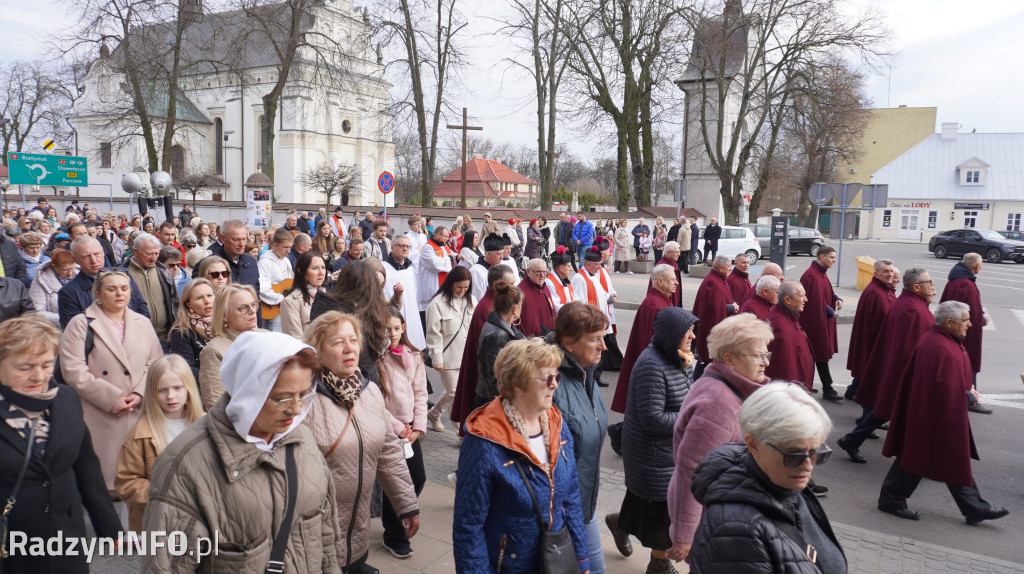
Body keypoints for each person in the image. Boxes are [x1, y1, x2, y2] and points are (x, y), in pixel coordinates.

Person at [142, 332, 343, 572]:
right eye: (282, 398)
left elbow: (326, 533)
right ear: (249, 393)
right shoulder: (183, 465)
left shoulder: (303, 438)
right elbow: (166, 565)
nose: (296, 409)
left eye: (303, 394)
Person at [453, 338, 591, 573]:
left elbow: (571, 499)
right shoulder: (483, 441)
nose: (555, 385)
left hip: (554, 560)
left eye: (556, 377)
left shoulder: (557, 423)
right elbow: (469, 527)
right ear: (518, 384)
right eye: (548, 378)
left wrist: (581, 559)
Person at [0, 316, 122, 572]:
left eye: (47, 364)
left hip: (66, 539)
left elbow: (86, 466)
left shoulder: (65, 398)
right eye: (24, 367)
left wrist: (109, 528)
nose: (38, 376)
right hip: (12, 544)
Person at [302, 311, 419, 573]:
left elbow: (388, 451)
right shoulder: (303, 398)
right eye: (336, 342)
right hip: (315, 534)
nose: (348, 348)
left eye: (353, 340)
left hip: (358, 530)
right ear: (317, 350)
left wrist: (406, 505)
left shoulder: (369, 391)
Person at [689, 383, 846, 574]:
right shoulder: (734, 531)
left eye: (815, 453)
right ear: (753, 445)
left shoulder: (787, 484)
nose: (807, 466)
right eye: (793, 455)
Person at [878, 301, 1009, 525]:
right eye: (966, 319)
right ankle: (891, 500)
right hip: (932, 415)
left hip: (934, 414)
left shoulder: (943, 341)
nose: (970, 323)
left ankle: (974, 507)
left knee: (944, 458)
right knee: (917, 456)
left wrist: (966, 389)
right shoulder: (939, 347)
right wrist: (968, 397)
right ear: (950, 322)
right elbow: (941, 389)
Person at [666, 313, 772, 562]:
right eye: (758, 356)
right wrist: (685, 534)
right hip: (710, 519)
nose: (766, 362)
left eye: (767, 355)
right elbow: (691, 469)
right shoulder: (717, 404)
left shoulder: (728, 386)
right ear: (729, 360)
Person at [610, 307, 697, 574]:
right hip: (653, 454)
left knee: (644, 504)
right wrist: (689, 418)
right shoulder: (652, 364)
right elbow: (653, 418)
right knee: (662, 513)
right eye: (688, 331)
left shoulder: (678, 357)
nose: (693, 336)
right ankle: (658, 562)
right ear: (673, 335)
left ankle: (620, 524)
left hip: (667, 452)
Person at [59, 270, 163, 494]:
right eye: (111, 288)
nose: (119, 293)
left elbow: (155, 363)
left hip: (137, 407)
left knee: (139, 479)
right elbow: (73, 369)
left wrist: (139, 394)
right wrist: (111, 398)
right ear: (97, 293)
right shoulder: (80, 324)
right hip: (99, 410)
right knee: (104, 479)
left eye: (124, 288)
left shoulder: (142, 323)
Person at [837, 268, 936, 465]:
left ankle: (852, 440)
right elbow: (915, 348)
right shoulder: (913, 310)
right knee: (893, 411)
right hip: (904, 373)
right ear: (916, 287)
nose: (933, 286)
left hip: (899, 371)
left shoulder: (910, 304)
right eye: (929, 282)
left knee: (885, 411)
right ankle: (911, 457)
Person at [547, 302, 609, 573]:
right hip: (559, 512)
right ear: (569, 343)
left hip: (584, 501)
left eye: (603, 338)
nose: (603, 346)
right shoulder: (551, 384)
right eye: (595, 339)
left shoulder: (587, 374)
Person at [115, 354, 204, 531]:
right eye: (162, 390)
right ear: (151, 392)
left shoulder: (206, 426)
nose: (170, 396)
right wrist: (165, 493)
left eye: (177, 388)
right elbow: (126, 482)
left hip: (199, 521)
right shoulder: (140, 433)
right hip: (158, 523)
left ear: (189, 389)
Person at [379, 309, 429, 559]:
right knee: (395, 482)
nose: (392, 334)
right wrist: (398, 427)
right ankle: (394, 534)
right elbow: (375, 400)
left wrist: (419, 426)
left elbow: (420, 392)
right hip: (390, 429)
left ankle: (396, 518)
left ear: (404, 328)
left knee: (417, 478)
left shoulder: (415, 355)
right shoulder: (378, 358)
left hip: (411, 429)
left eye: (396, 328)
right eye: (387, 329)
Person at [451, 264, 514, 433]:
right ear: (496, 286)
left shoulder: (494, 303)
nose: (513, 288)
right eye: (510, 284)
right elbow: (489, 357)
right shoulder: (488, 308)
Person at [310, 260, 392, 384]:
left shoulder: (331, 307)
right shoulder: (347, 316)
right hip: (355, 381)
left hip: (345, 379)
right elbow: (380, 344)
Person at [612, 264, 678, 414]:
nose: (676, 283)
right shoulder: (654, 305)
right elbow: (652, 342)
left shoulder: (660, 300)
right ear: (660, 281)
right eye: (673, 280)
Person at [939, 253, 992, 414]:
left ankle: (969, 397)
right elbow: (965, 309)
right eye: (981, 264)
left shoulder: (960, 280)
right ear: (976, 266)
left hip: (962, 329)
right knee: (968, 364)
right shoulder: (964, 283)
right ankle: (970, 399)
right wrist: (980, 320)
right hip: (964, 332)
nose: (981, 267)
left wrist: (980, 316)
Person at [424, 265, 475, 432]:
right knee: (454, 394)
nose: (462, 291)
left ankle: (434, 413)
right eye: (459, 286)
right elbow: (433, 334)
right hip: (448, 357)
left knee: (454, 392)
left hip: (467, 356)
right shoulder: (437, 304)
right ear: (451, 283)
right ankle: (461, 432)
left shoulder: (471, 300)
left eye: (466, 287)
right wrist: (436, 358)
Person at [58, 236, 149, 329]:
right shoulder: (68, 292)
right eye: (86, 256)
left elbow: (142, 309)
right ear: (75, 259)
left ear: (103, 253)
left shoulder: (124, 277)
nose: (93, 260)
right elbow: (74, 330)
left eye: (96, 254)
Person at [198, 284, 264, 408]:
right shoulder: (214, 351)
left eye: (253, 304)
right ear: (225, 315)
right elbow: (215, 404)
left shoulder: (267, 336)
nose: (251, 311)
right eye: (243, 308)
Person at [844, 259, 897, 399]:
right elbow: (877, 322)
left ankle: (852, 391)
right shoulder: (875, 293)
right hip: (873, 343)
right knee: (868, 371)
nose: (889, 274)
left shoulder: (884, 289)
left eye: (891, 271)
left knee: (865, 371)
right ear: (876, 274)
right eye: (885, 271)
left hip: (875, 343)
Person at [799, 246, 843, 401]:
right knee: (818, 355)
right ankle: (827, 388)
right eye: (831, 257)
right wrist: (830, 311)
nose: (834, 260)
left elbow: (826, 292)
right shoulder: (812, 275)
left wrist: (836, 297)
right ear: (822, 257)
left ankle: (810, 385)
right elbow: (814, 300)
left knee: (817, 355)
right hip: (813, 324)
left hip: (819, 321)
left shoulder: (820, 273)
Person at [120, 232, 179, 344]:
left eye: (156, 254)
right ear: (135, 251)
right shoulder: (121, 274)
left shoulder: (163, 272)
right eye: (149, 254)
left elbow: (175, 302)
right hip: (136, 340)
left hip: (165, 339)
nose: (154, 258)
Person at [477, 280, 525, 406]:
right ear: (515, 309)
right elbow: (496, 377)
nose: (522, 308)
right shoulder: (497, 334)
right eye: (521, 305)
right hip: (494, 402)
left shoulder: (499, 324)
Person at [690, 255, 738, 378]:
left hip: (711, 337)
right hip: (711, 336)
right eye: (728, 266)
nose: (731, 269)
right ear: (721, 268)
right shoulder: (712, 283)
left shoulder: (718, 279)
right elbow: (714, 309)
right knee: (704, 367)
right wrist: (731, 308)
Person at [764, 281, 815, 390]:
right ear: (787, 300)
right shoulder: (777, 325)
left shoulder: (790, 318)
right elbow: (781, 369)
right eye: (802, 296)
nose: (806, 299)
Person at [168, 278, 216, 382]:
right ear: (188, 304)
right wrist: (217, 377)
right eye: (199, 298)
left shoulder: (226, 322)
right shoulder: (180, 331)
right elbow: (187, 370)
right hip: (204, 388)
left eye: (209, 295)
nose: (207, 301)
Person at [382, 234, 426, 348]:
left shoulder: (410, 269)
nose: (405, 248)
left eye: (407, 246)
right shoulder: (383, 268)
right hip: (393, 313)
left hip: (411, 314)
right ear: (392, 247)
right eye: (401, 245)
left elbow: (414, 293)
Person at [208, 219, 260, 312]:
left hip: (249, 321)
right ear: (223, 238)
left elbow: (256, 296)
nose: (242, 244)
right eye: (236, 240)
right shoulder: (209, 265)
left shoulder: (251, 262)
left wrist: (257, 324)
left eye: (244, 239)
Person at [281, 251, 327, 339]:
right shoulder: (291, 302)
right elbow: (295, 339)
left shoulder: (328, 296)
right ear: (301, 272)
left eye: (323, 267)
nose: (321, 272)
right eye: (315, 268)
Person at [257, 228, 295, 333]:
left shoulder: (286, 261)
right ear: (275, 245)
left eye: (290, 247)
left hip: (285, 309)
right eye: (285, 247)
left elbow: (289, 284)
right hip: (273, 308)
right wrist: (281, 299)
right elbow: (262, 288)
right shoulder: (265, 262)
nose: (288, 251)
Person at [28, 247, 76, 326]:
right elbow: (37, 312)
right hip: (56, 328)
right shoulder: (41, 280)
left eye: (72, 268)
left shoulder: (80, 275)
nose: (70, 273)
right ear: (54, 267)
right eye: (65, 270)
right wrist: (67, 318)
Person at [417, 226, 455, 322]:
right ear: (438, 235)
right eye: (445, 236)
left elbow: (453, 255)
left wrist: (457, 258)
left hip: (442, 284)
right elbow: (435, 264)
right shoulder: (427, 248)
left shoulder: (443, 247)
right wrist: (449, 259)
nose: (447, 239)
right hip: (431, 286)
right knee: (430, 317)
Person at [518, 257, 556, 337]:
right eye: (538, 272)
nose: (542, 276)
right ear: (528, 272)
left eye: (544, 272)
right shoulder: (521, 292)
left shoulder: (544, 287)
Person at [469, 233, 505, 301]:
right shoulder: (476, 271)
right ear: (488, 253)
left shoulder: (498, 266)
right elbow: (477, 298)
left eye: (502, 253)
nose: (502, 257)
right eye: (499, 254)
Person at [647, 241, 683, 306]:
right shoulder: (661, 268)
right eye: (677, 252)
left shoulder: (673, 264)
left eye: (679, 252)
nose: (679, 254)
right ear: (668, 252)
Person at [546, 246, 576, 312]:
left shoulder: (564, 279)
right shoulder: (549, 283)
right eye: (568, 266)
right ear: (561, 268)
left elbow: (573, 297)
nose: (571, 269)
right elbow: (556, 307)